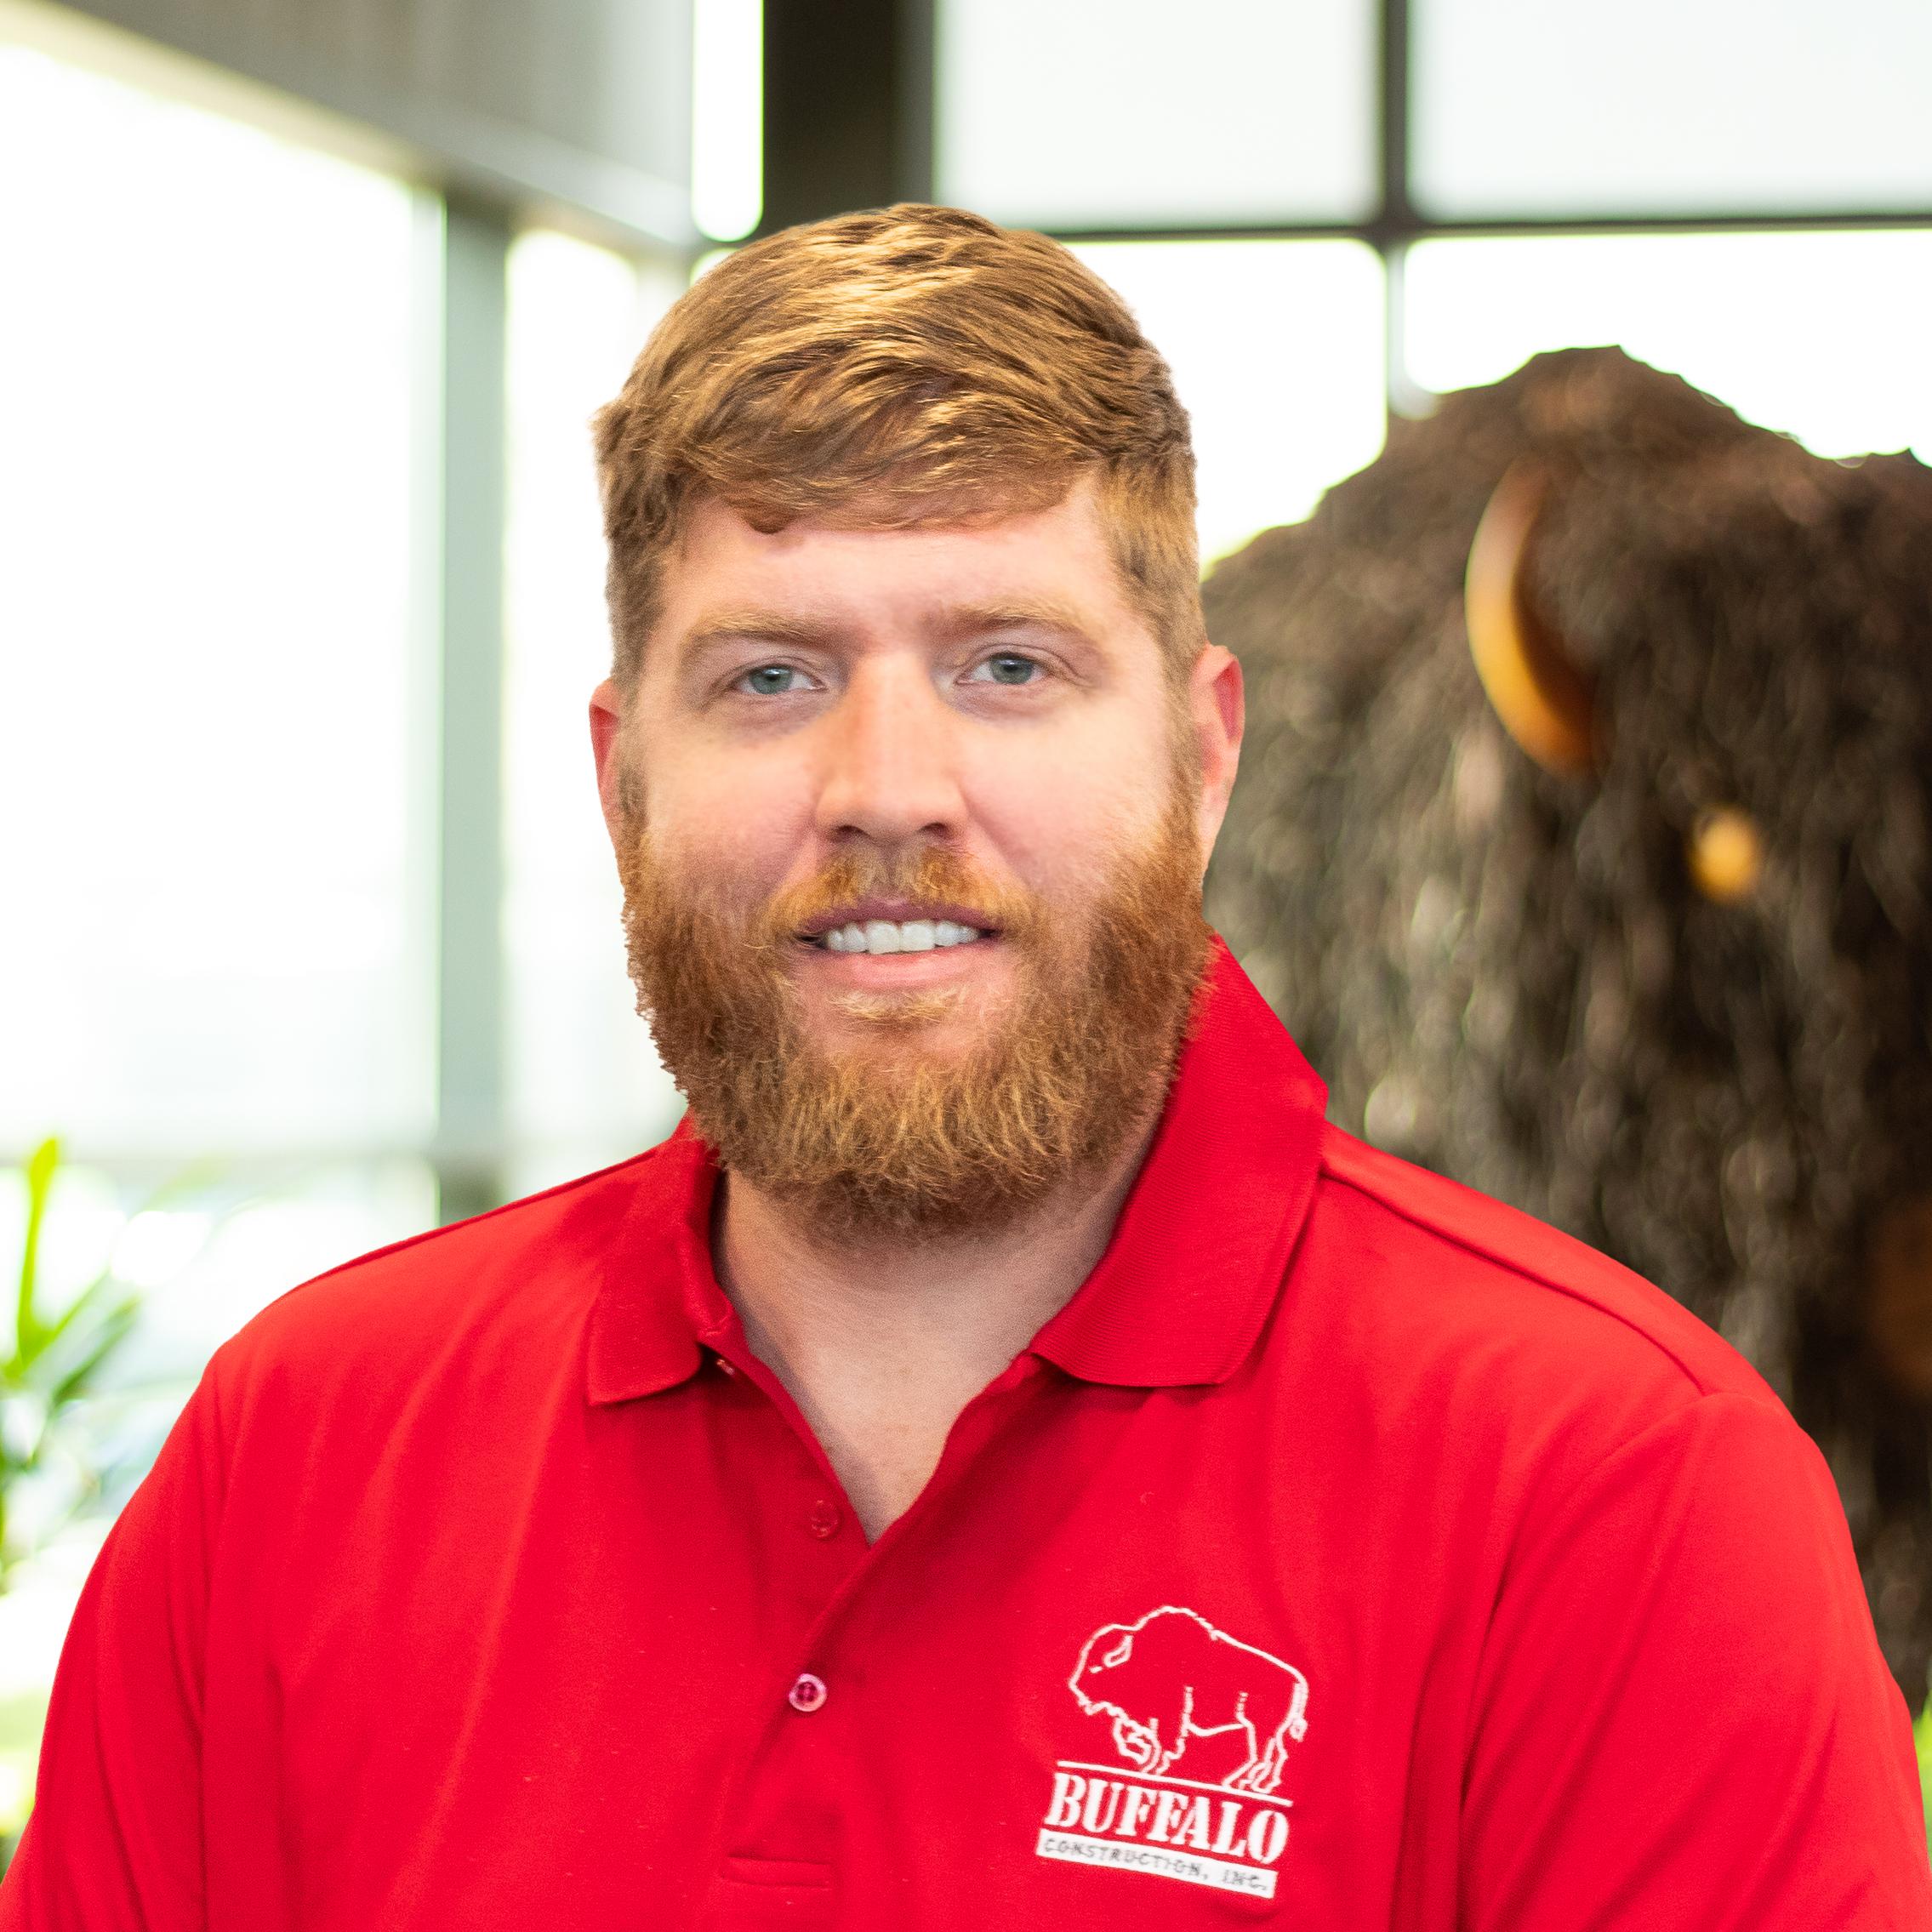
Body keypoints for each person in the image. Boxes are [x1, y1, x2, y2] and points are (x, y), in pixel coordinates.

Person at [3, 203, 1927, 1930]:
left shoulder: (1620, 1497)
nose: (888, 792)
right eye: (769, 675)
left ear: (1200, 755)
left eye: (1007, 665)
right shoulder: (295, 1457)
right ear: (620, 779)